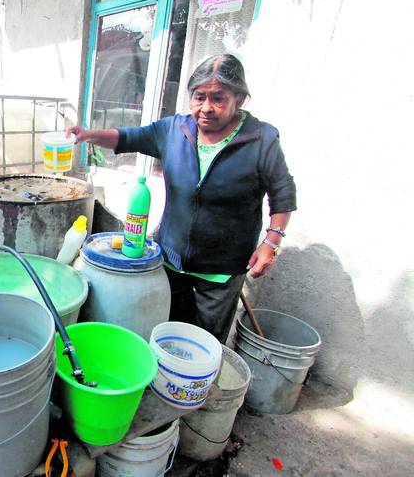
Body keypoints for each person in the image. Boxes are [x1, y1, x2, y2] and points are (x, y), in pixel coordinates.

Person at [66, 54, 296, 342]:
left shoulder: (261, 139)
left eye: (218, 99)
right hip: (171, 258)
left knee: (206, 341)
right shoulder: (174, 129)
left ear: (239, 99)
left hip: (221, 269)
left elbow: (283, 191)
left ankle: (197, 385)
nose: (206, 108)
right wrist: (87, 135)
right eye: (200, 97)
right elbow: (128, 137)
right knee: (166, 331)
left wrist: (270, 243)